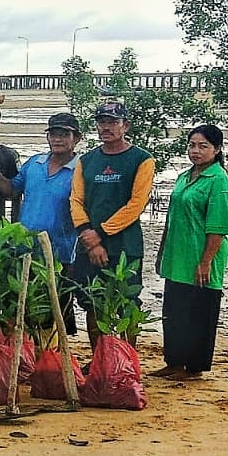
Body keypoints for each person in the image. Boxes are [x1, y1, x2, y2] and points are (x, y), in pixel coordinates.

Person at [70, 100, 154, 350]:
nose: (106, 127)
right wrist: (88, 236)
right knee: (93, 301)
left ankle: (127, 361)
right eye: (101, 122)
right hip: (89, 245)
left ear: (125, 125)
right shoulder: (87, 160)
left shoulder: (142, 160)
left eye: (112, 122)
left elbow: (136, 204)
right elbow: (76, 200)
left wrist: (101, 233)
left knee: (127, 303)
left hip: (125, 245)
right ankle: (100, 359)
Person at [154, 125, 228, 379]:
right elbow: (172, 218)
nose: (195, 151)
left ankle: (194, 367)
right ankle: (174, 362)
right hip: (177, 257)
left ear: (217, 149)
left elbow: (218, 227)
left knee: (199, 313)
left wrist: (206, 261)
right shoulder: (183, 177)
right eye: (192, 145)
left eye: (203, 146)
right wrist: (163, 253)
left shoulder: (219, 181)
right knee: (174, 312)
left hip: (202, 257)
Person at [1, 112, 82, 334]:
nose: (57, 139)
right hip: (26, 249)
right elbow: (11, 190)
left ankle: (53, 350)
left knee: (56, 311)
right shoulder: (34, 163)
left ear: (77, 138)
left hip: (61, 253)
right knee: (27, 307)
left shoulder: (81, 169)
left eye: (64, 134)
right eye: (53, 134)